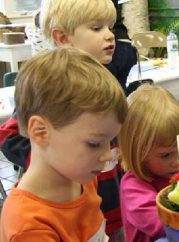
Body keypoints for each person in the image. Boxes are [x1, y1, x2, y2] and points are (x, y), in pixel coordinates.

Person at [0, 0, 125, 240]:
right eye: (94, 143)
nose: (109, 155)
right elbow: (11, 134)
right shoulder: (30, 226)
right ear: (41, 132)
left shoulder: (82, 179)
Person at [119, 85, 179, 242]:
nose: (177, 161)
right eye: (165, 155)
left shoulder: (178, 173)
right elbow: (162, 225)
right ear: (138, 152)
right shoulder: (133, 187)